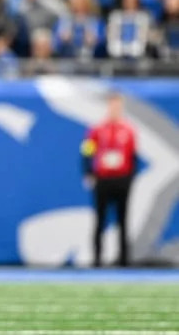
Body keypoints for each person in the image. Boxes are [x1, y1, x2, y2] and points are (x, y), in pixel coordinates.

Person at [81, 91, 137, 267]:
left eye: (117, 106)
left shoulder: (128, 130)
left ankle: (124, 259)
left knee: (123, 220)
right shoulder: (97, 130)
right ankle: (97, 258)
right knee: (100, 219)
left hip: (121, 179)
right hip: (103, 179)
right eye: (112, 105)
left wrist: (130, 177)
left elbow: (134, 155)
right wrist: (88, 172)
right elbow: (87, 151)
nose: (114, 109)